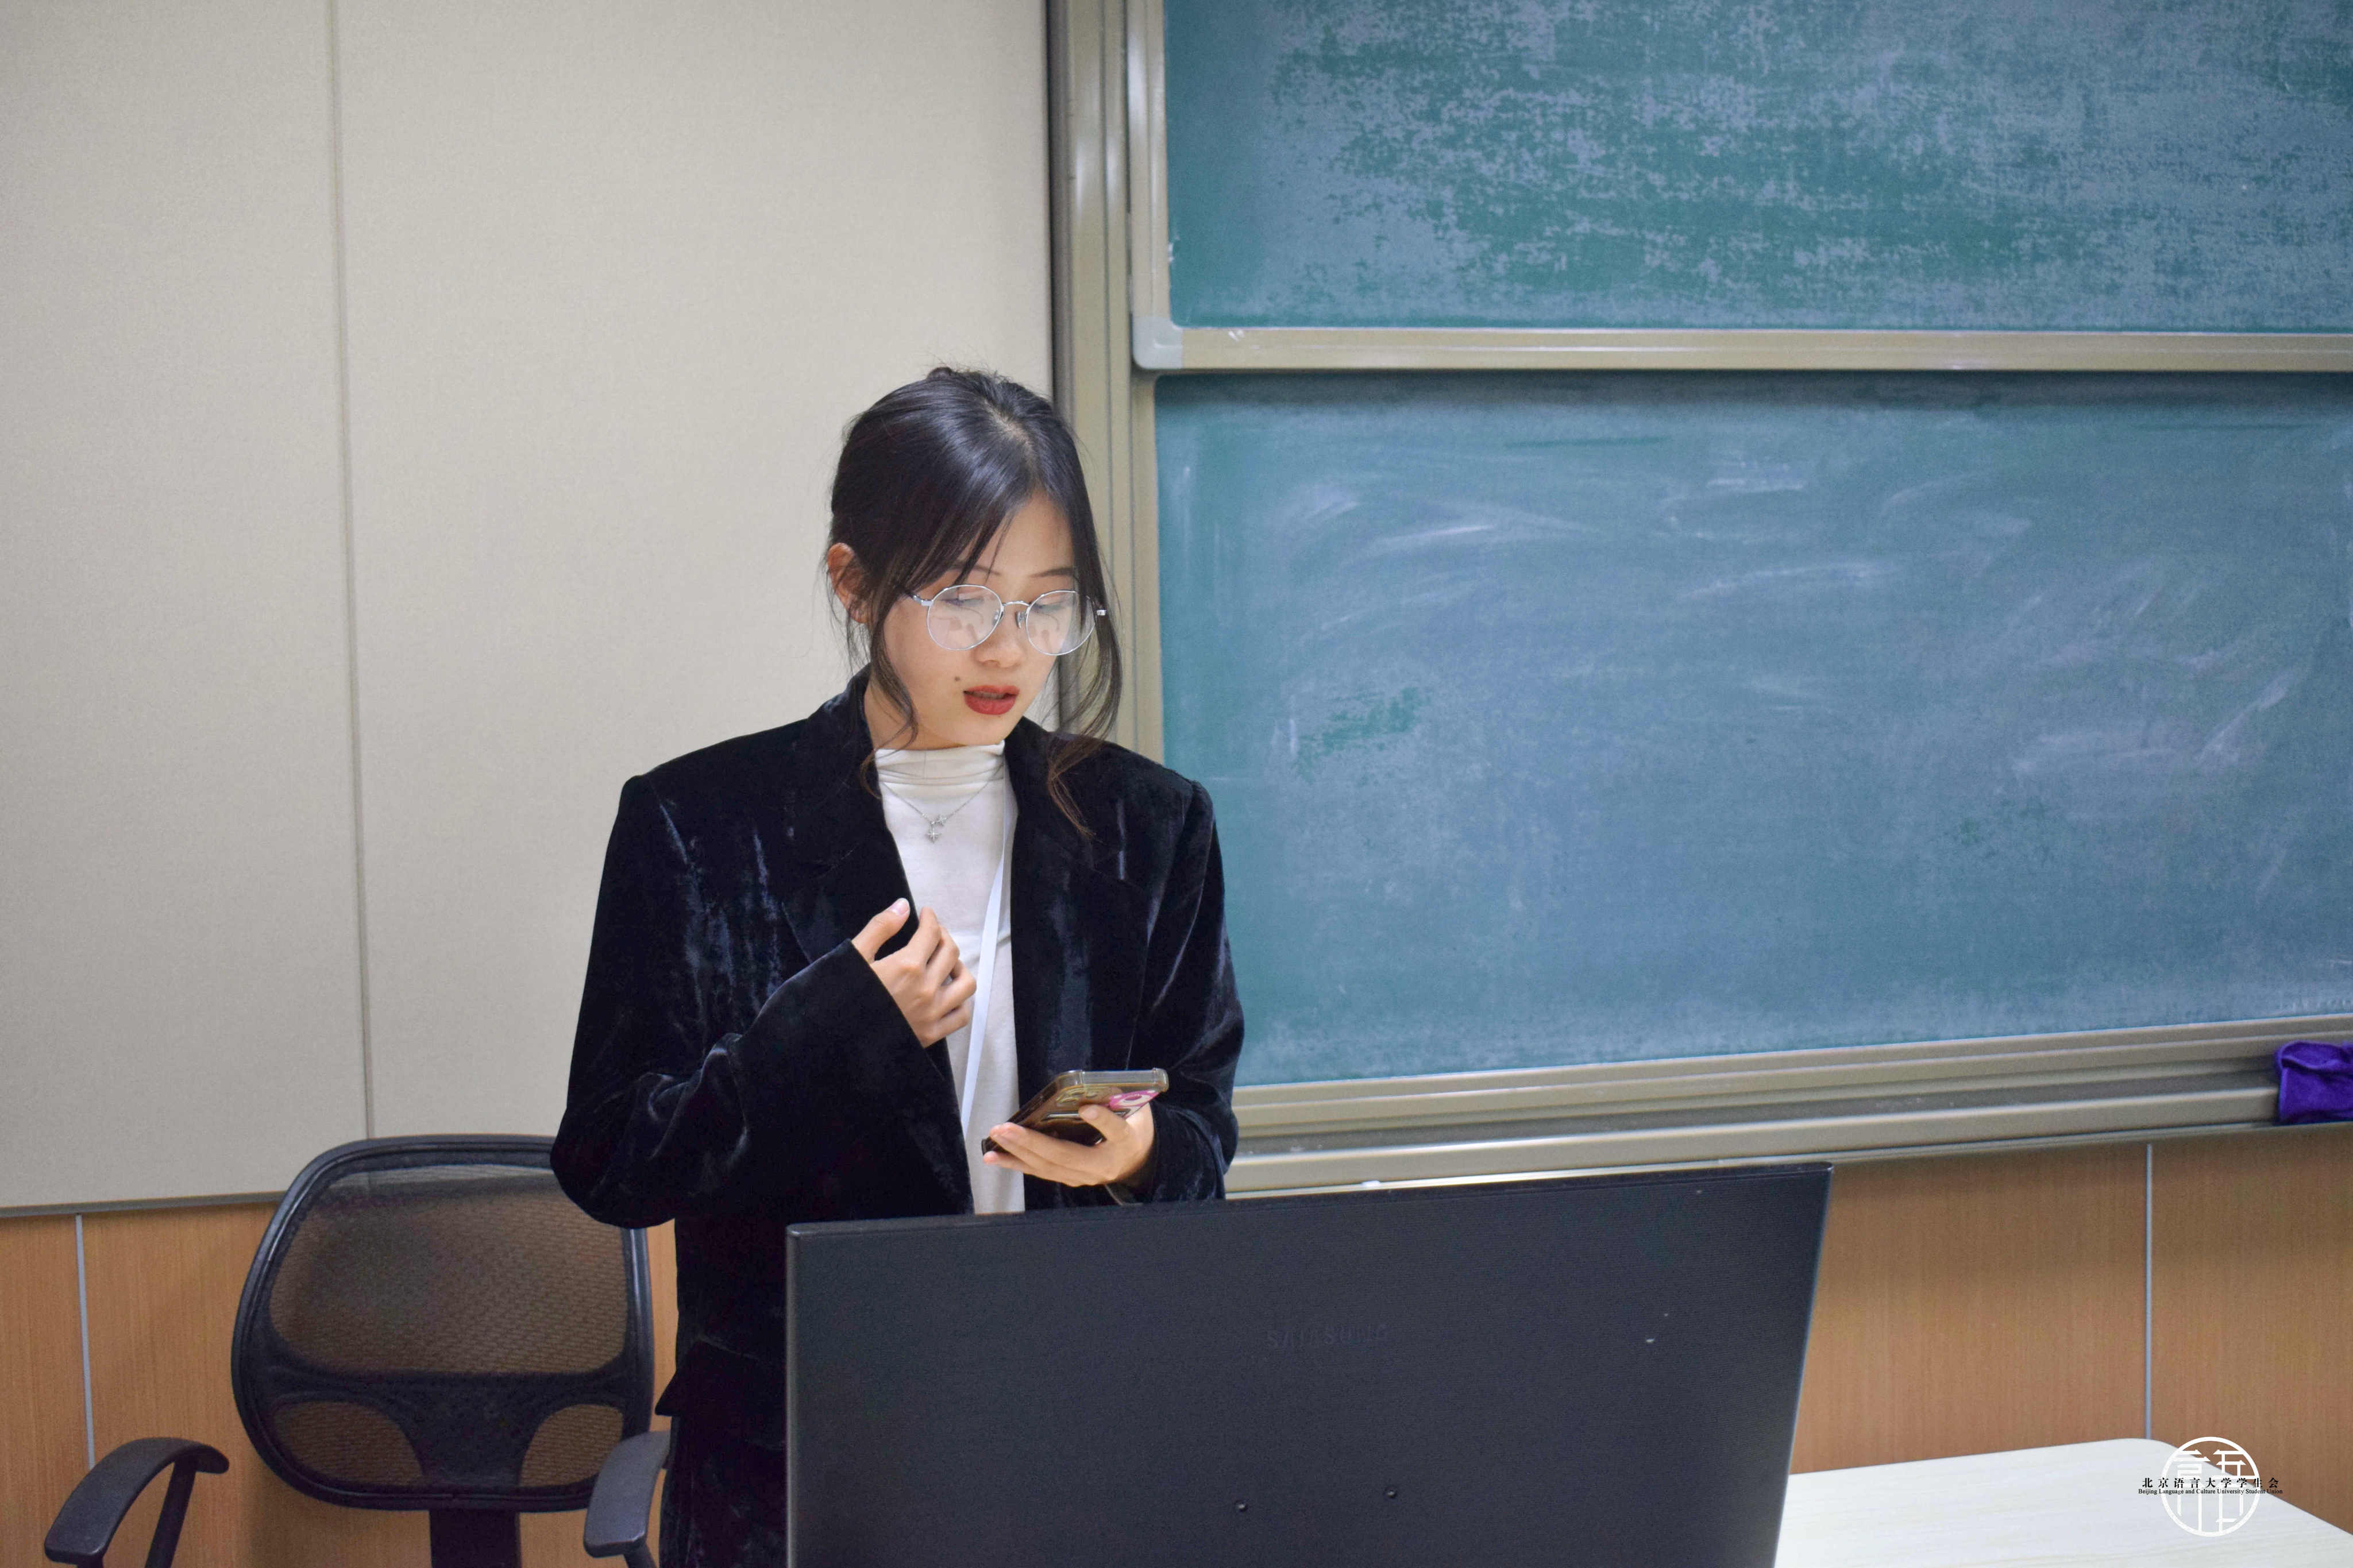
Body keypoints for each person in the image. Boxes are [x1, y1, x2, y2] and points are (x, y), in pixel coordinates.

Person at [551, 367, 1244, 1567]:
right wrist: (815, 1038)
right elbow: (612, 1160)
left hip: (1071, 1437)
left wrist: (1142, 1151)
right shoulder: (698, 824)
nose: (1009, 649)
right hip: (798, 1459)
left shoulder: (1147, 826)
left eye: (1047, 604)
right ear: (853, 581)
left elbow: (1199, 1129)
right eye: (964, 598)